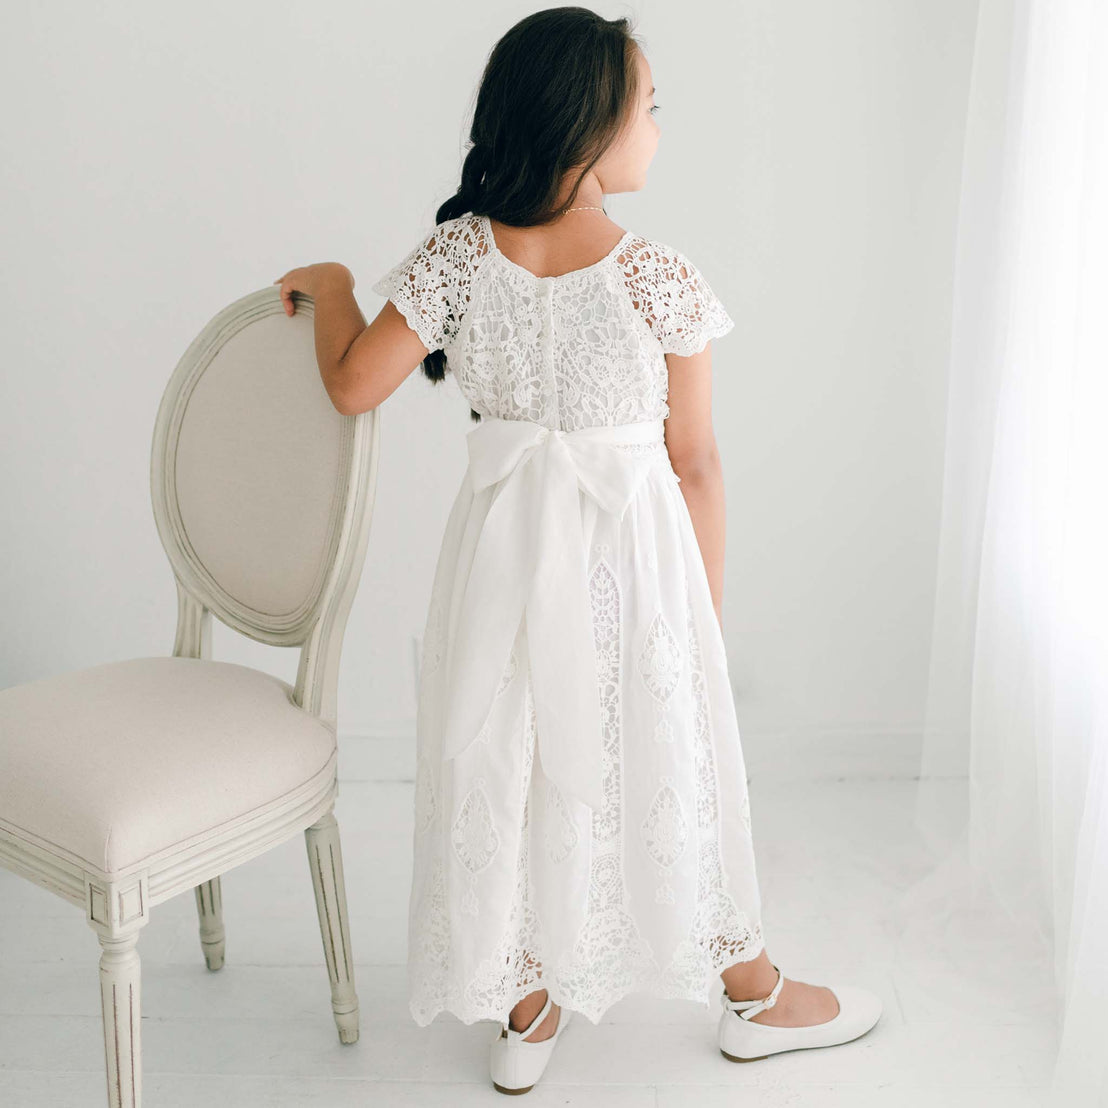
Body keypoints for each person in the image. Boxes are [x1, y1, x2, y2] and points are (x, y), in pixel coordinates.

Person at [275, 6, 882, 1095]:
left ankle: (526, 1006)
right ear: (586, 125)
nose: (657, 125)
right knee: (664, 762)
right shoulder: (656, 275)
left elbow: (349, 385)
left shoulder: (458, 256)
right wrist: (704, 614)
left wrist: (332, 284)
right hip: (635, 574)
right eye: (646, 106)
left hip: (499, 566)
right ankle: (749, 992)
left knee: (506, 759)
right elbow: (694, 462)